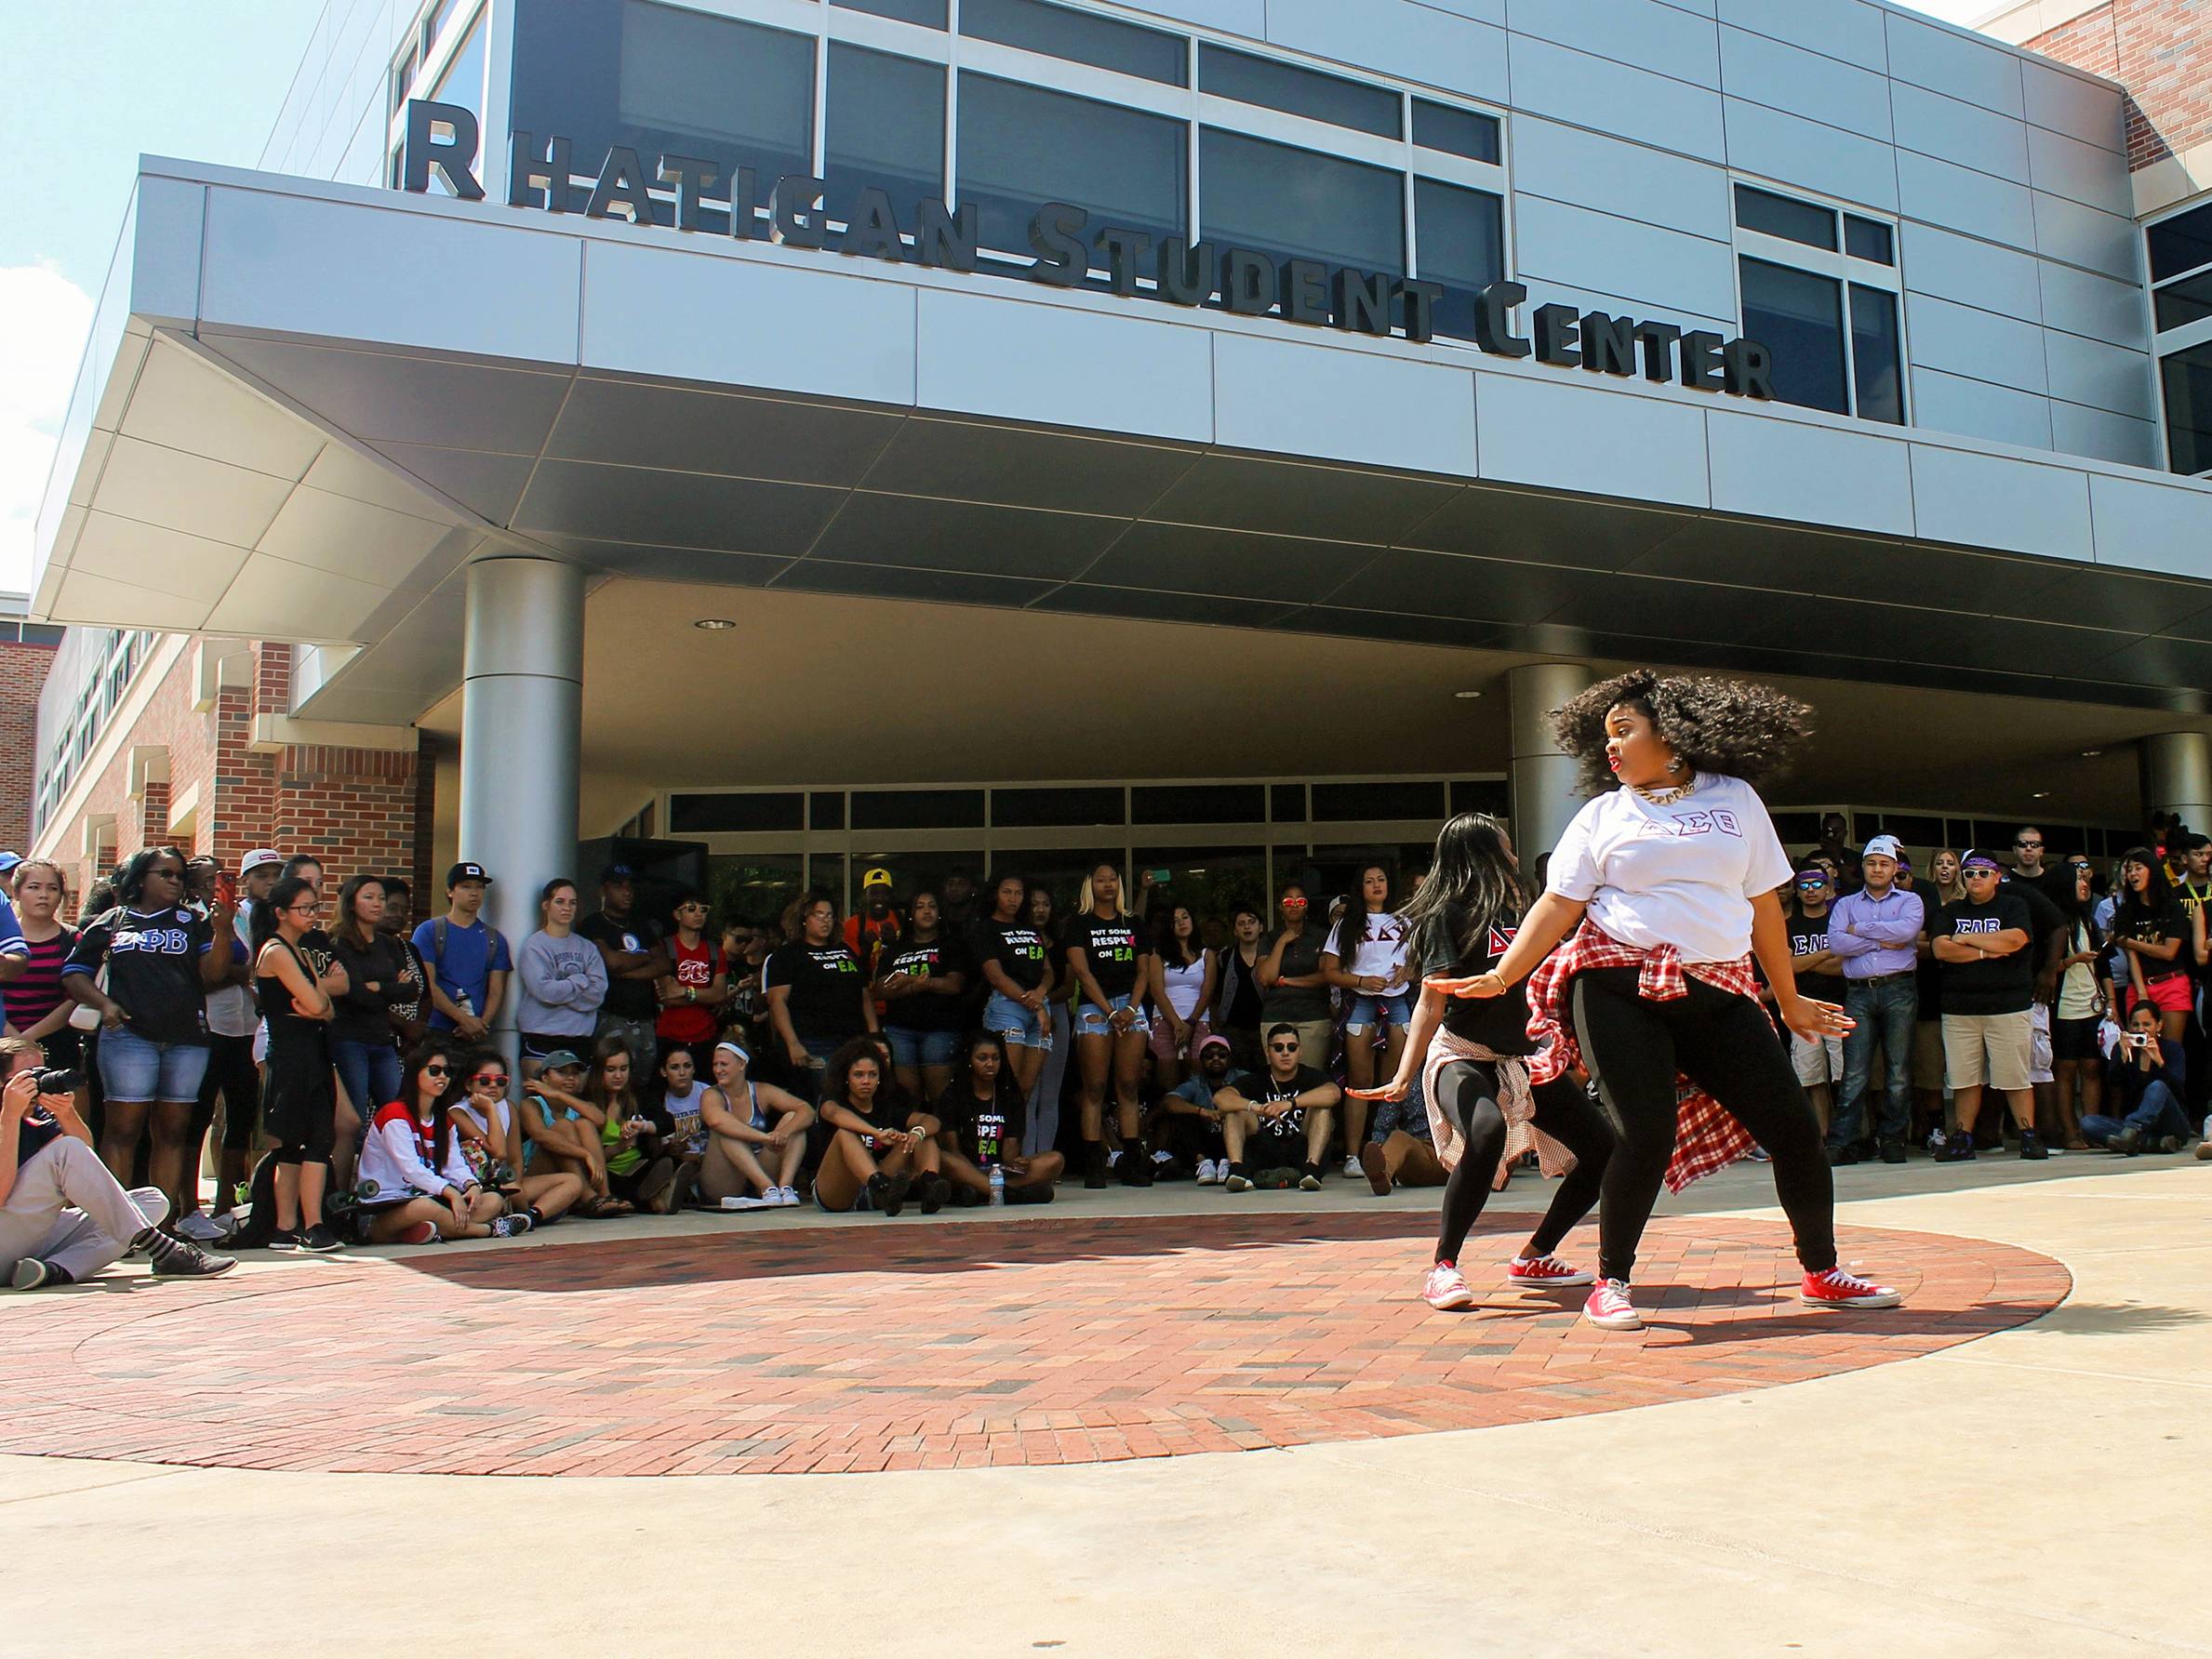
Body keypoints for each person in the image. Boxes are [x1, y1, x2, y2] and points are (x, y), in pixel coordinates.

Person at [1465, 671, 1902, 1331]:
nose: (1610, 747)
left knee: (1792, 1128)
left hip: (1719, 987)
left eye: (1624, 731)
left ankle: (1822, 1270)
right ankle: (1611, 1281)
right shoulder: (1602, 815)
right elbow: (1559, 905)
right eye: (1605, 737)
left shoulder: (1736, 800)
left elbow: (1763, 907)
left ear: (1672, 735)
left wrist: (1787, 999)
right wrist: (1503, 977)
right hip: (1616, 985)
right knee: (1643, 1132)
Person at [1351, 812, 1618, 1308]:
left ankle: (1535, 1256)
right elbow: (1430, 1002)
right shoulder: (1444, 915)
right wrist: (1404, 1076)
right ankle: (1444, 1267)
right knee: (1486, 1129)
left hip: (1519, 1060)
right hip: (1462, 1055)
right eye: (1507, 847)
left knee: (1604, 1148)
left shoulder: (1525, 909)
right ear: (1481, 852)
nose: (1515, 857)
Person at [61, 846, 240, 1227]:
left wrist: (222, 931)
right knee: (123, 1130)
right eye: (166, 874)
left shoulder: (193, 920)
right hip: (128, 1036)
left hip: (186, 1038)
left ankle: (163, 1227)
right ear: (141, 878)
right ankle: (112, 1224)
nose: (175, 881)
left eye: (179, 875)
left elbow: (213, 973)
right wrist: (105, 1004)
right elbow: (74, 973)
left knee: (172, 1132)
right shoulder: (112, 920)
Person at [3, 1037, 233, 1287]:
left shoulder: (32, 1113)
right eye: (27, 1077)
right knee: (66, 1151)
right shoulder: (12, 1114)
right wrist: (10, 1117)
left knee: (151, 1202)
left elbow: (83, 1160)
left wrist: (66, 1114)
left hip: (21, 1242)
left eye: (42, 1073)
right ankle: (165, 1252)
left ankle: (54, 1270)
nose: (38, 1084)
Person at [251, 874, 350, 1251]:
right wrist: (321, 1005)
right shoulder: (276, 951)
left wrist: (320, 1006)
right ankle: (312, 1225)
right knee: (311, 1138)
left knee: (301, 1140)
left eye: (314, 908)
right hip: (292, 1054)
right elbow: (317, 1004)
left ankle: (286, 1227)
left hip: (311, 1048)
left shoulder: (302, 951)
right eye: (303, 909)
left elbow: (323, 1007)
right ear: (280, 912)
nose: (312, 915)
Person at [356, 1041, 534, 1243]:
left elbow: (453, 1165)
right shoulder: (394, 1114)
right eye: (434, 1071)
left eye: (447, 1072)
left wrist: (471, 1185)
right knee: (426, 1209)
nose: (442, 1077)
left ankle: (429, 1230)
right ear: (415, 1074)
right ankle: (488, 1230)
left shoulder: (443, 1118)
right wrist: (450, 1192)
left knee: (492, 1200)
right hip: (384, 1205)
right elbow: (411, 1169)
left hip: (429, 1196)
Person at [1930, 853, 2044, 1161]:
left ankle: (2028, 1135)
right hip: (1959, 1008)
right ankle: (1962, 1138)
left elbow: (2016, 940)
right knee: (1964, 1078)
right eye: (1969, 873)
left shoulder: (2013, 906)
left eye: (1983, 872)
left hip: (2008, 1005)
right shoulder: (1951, 909)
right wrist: (1986, 952)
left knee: (2015, 1075)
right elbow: (1941, 949)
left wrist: (1966, 939)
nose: (1975, 878)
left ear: (1997, 876)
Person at [1824, 835, 1924, 1166]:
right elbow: (1838, 943)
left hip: (1899, 990)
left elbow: (1906, 934)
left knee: (1898, 1069)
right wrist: (1882, 939)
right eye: (1871, 863)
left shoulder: (1910, 901)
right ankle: (1842, 1142)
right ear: (1863, 867)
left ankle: (1893, 1138)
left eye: (1884, 863)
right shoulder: (1844, 903)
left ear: (1895, 868)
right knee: (1854, 1071)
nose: (1877, 869)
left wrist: (1861, 931)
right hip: (1858, 991)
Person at [1066, 862, 1155, 1189]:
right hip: (1095, 1007)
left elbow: (1144, 970)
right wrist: (1109, 1010)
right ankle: (1095, 1161)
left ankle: (1132, 1161)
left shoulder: (1132, 923)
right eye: (1101, 879)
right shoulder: (1079, 924)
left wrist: (1131, 1008)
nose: (1108, 884)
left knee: (1129, 1085)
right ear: (1090, 885)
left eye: (1113, 879)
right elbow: (1082, 973)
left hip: (1130, 1005)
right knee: (1094, 1087)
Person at [1323, 865, 1412, 1176]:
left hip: (1398, 1002)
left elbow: (1422, 962)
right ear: (1360, 888)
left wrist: (1408, 973)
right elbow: (1329, 971)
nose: (1376, 885)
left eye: (1381, 879)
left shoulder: (1405, 920)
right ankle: (1351, 1155)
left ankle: (1384, 1149)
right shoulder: (1347, 924)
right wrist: (1360, 980)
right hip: (1361, 1003)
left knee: (1392, 1084)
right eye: (1369, 881)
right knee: (1360, 1083)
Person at [445, 1044, 585, 1226]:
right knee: (508, 1196)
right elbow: (498, 1152)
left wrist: (515, 1186)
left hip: (506, 1181)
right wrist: (490, 1110)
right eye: (485, 1081)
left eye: (500, 1081)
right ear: (469, 1084)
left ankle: (529, 1217)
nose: (493, 1086)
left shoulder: (508, 1106)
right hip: (478, 1186)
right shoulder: (457, 1113)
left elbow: (515, 1159)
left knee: (572, 1181)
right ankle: (523, 1211)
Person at [812, 1036, 949, 1215]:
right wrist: (876, 1133)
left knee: (923, 1135)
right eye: (858, 1075)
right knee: (844, 1134)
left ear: (880, 1077)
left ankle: (930, 1185)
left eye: (872, 1075)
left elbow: (931, 1121)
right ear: (846, 1077)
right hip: (838, 1190)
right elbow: (835, 1114)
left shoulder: (887, 1107)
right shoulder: (832, 1100)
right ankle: (882, 1187)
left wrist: (917, 1133)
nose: (866, 1081)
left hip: (878, 1190)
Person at [763, 890, 874, 1098]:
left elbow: (864, 994)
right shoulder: (787, 955)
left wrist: (874, 1035)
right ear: (804, 919)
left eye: (830, 915)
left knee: (852, 1098)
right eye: (819, 915)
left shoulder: (845, 950)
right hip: (812, 1039)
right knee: (825, 1098)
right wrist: (792, 1043)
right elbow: (777, 1001)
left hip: (852, 1038)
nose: (826, 921)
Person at [934, 1029, 1063, 1203]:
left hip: (999, 1171)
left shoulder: (1009, 1095)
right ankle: (1009, 1194)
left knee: (1055, 1160)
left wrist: (1018, 1163)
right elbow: (953, 1151)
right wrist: (973, 1173)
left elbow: (1010, 1153)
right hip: (966, 1169)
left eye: (995, 1058)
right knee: (943, 1159)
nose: (990, 1064)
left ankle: (984, 1192)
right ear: (969, 1061)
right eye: (982, 1058)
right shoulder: (952, 1096)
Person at [1213, 1022, 1341, 1191]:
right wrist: (1256, 1107)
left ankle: (1312, 1171)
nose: (1286, 1053)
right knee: (1235, 1111)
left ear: (1300, 1051)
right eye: (1279, 1048)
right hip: (1265, 1149)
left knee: (1322, 1108)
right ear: (1268, 1051)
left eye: (1292, 1047)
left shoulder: (1310, 1076)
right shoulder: (1257, 1078)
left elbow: (1333, 1093)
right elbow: (1221, 1098)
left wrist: (1290, 1104)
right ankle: (1237, 1170)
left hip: (1301, 1149)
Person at [871, 888, 969, 1104]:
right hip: (900, 1030)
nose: (927, 911)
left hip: (940, 1030)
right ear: (911, 914)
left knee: (940, 1100)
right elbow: (880, 989)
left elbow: (954, 985)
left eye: (932, 906)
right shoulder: (896, 949)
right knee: (909, 1100)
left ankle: (939, 1138)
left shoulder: (951, 945)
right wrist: (918, 985)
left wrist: (907, 981)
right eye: (920, 907)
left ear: (940, 912)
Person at [328, 874, 410, 1129]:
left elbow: (412, 990)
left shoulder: (388, 943)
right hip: (349, 1039)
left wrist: (379, 987)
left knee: (397, 1113)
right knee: (354, 1118)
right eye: (369, 897)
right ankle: (350, 1168)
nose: (378, 904)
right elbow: (356, 994)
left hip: (382, 1038)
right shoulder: (339, 943)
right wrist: (391, 989)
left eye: (382, 898)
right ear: (352, 903)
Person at [513, 1049, 632, 1218]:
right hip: (536, 1176)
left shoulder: (577, 1105)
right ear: (544, 1077)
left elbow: (600, 1120)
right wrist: (584, 1154)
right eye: (561, 1072)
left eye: (575, 1074)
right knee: (562, 1126)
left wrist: (559, 1095)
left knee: (584, 1125)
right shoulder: (531, 1104)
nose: (570, 1078)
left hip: (572, 1177)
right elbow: (542, 1137)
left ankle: (604, 1196)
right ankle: (589, 1199)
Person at [974, 873, 1054, 1112]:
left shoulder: (1030, 929)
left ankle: (1014, 1148)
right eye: (1007, 892)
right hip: (1008, 1006)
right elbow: (996, 976)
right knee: (1004, 1086)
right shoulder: (986, 928)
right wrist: (1036, 1005)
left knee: (1024, 1092)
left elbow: (1048, 970)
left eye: (1018, 893)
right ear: (995, 894)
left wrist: (1041, 993)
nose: (1013, 898)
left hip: (1039, 1004)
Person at [699, 1040, 812, 1209]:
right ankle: (766, 1186)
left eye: (724, 1064)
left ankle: (784, 1188)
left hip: (762, 1166)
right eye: (715, 1065)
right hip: (726, 1179)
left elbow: (807, 1110)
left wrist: (785, 1132)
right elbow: (716, 1120)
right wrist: (765, 1138)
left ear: (742, 1064)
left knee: (793, 1120)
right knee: (725, 1129)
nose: (717, 1070)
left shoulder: (761, 1090)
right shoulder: (711, 1094)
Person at [1781, 865, 1848, 1135]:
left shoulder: (1838, 921)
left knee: (1844, 1075)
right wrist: (1826, 953)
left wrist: (1805, 962)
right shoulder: (1787, 926)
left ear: (1829, 888)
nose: (1811, 890)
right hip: (1803, 1007)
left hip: (1839, 1005)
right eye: (1804, 885)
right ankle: (1822, 1136)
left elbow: (1843, 966)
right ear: (1797, 891)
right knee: (1813, 1078)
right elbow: (1788, 967)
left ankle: (1847, 1134)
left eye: (1817, 884)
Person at [515, 878, 607, 1074]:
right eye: (560, 901)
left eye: (572, 902)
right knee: (539, 1101)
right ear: (546, 905)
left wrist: (563, 990)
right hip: (542, 1038)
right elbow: (546, 991)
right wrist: (580, 980)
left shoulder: (588, 947)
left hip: (580, 1039)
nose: (567, 907)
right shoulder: (535, 945)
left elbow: (598, 993)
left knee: (576, 1102)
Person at [579, 864, 668, 1063]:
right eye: (619, 886)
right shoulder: (592, 924)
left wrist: (627, 971)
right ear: (603, 890)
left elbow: (663, 964)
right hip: (610, 1016)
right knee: (610, 1078)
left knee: (641, 1082)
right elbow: (611, 962)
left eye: (629, 887)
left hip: (645, 1019)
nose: (626, 892)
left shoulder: (641, 925)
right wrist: (646, 957)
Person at [413, 862, 511, 1042]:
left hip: (477, 1032)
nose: (474, 893)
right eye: (465, 887)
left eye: (480, 887)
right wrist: (463, 1019)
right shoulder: (430, 931)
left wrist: (480, 1024)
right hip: (435, 1028)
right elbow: (426, 984)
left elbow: (496, 991)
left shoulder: (494, 939)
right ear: (450, 891)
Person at [2081, 1002, 2192, 1153]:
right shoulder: (2125, 1049)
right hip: (2137, 1129)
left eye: (2147, 1024)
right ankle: (2151, 1144)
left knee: (2157, 1086)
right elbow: (2113, 1082)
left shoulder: (2172, 1049)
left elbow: (2178, 1088)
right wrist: (2123, 1058)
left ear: (2158, 1026)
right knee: (2088, 1123)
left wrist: (2159, 1062)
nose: (2141, 1030)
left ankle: (2133, 1137)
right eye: (2135, 1025)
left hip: (2171, 1125)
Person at [2049, 860, 2107, 1150]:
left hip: (2093, 1005)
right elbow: (2045, 970)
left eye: (2086, 880)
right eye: (2078, 880)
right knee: (2066, 1070)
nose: (2085, 885)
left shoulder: (2089, 919)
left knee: (2092, 1067)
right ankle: (2070, 1131)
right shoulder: (2055, 921)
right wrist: (2073, 959)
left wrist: (2111, 1006)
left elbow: (2104, 967)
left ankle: (2092, 1129)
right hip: (2064, 1008)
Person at [586, 1036, 679, 1212]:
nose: (618, 1076)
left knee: (665, 1161)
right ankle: (656, 1200)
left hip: (639, 1166)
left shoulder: (639, 1094)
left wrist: (643, 1126)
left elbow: (668, 1123)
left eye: (624, 1069)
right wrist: (620, 1147)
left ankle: (655, 1196)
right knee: (618, 1183)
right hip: (604, 1173)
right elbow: (592, 1157)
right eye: (611, 1069)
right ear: (599, 1071)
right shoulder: (589, 1101)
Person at [2110, 846, 2191, 1042]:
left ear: (2152, 870)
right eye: (2129, 870)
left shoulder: (2172, 907)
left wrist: (2130, 942)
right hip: (2138, 983)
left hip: (2172, 983)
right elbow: (2131, 956)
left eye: (2138, 868)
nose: (2133, 874)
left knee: (2171, 1048)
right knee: (2139, 1049)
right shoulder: (2125, 911)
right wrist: (2141, 992)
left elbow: (2169, 952)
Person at [1258, 881, 1333, 1075]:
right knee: (1278, 1076)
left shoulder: (1321, 936)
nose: (1294, 905)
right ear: (1280, 907)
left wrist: (1286, 981)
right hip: (1276, 1015)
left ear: (1306, 905)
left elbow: (1325, 976)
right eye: (1288, 902)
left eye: (1299, 901)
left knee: (1311, 1076)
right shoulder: (1270, 939)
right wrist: (1283, 941)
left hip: (1313, 1016)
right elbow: (1266, 978)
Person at [654, 888, 727, 1074]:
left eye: (703, 909)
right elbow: (668, 997)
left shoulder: (714, 950)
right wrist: (704, 995)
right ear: (677, 914)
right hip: (670, 1035)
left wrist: (686, 991)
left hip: (706, 1036)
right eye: (691, 908)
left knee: (705, 1092)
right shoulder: (664, 947)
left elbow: (719, 994)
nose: (699, 914)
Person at [1148, 904, 1217, 1094]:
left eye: (1185, 917)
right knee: (1167, 1081)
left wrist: (1190, 1023)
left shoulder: (1206, 955)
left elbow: (1207, 992)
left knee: (1198, 1079)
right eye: (1175, 920)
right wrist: (1178, 1024)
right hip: (1165, 1021)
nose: (1181, 923)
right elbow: (1157, 992)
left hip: (1199, 1021)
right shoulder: (1157, 955)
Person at [1160, 1033, 1243, 1184]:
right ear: (1201, 1060)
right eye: (1209, 1056)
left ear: (1229, 1059)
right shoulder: (1195, 1082)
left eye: (1222, 1055)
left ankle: (1229, 1163)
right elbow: (1169, 1101)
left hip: (1233, 1141)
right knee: (1183, 1114)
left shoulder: (1242, 1078)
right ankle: (1204, 1164)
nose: (1216, 1059)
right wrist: (1201, 1111)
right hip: (1204, 1142)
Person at [376, 877, 431, 1050]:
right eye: (393, 908)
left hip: (410, 1044)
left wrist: (418, 1027)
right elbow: (365, 997)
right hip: (377, 1038)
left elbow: (426, 995)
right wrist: (405, 1025)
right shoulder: (362, 947)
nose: (399, 915)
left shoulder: (409, 949)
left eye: (405, 910)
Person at [1213, 904, 1266, 1071]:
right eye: (1241, 923)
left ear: (1261, 927)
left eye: (1251, 922)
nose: (1247, 927)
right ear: (1235, 931)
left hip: (1263, 1026)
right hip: (1233, 1029)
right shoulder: (1224, 957)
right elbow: (1214, 995)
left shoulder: (1271, 956)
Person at [844, 867, 903, 971]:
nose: (880, 898)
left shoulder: (902, 920)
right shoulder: (851, 925)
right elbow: (848, 967)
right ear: (864, 896)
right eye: (874, 893)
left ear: (891, 896)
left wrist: (894, 944)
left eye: (885, 893)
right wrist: (865, 949)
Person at [2009, 827, 2076, 909]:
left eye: (2035, 845)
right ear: (2015, 849)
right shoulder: (2005, 881)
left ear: (2041, 850)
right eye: (2023, 844)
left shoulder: (2053, 881)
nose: (2028, 848)